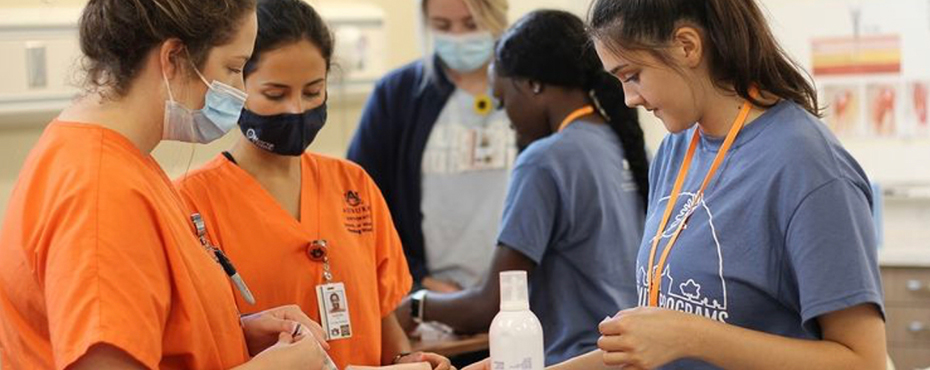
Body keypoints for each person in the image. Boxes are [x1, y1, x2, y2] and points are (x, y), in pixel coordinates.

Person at [462, 0, 888, 369]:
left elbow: (862, 360)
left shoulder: (806, 165)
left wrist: (693, 336)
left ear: (687, 46)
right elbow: (654, 344)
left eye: (632, 75)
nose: (629, 99)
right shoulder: (676, 151)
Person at [0, 0, 330, 369]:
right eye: (234, 67)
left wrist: (232, 333)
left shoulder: (119, 161)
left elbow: (145, 328)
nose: (238, 89)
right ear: (174, 58)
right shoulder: (99, 195)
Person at [174, 1, 451, 369]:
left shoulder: (354, 185)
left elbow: (385, 322)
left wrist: (410, 361)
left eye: (312, 91)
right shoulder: (191, 201)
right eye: (275, 94)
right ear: (236, 85)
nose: (296, 110)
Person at [397, 9, 650, 366]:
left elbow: (491, 304)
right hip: (625, 357)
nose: (506, 116)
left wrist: (415, 305)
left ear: (533, 85)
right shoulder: (621, 144)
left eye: (503, 100)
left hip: (570, 358)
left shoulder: (544, 160)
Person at [347, 0, 512, 293]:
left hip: (523, 293)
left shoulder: (528, 89)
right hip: (434, 299)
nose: (459, 36)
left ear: (497, 17)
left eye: (472, 24)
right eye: (443, 26)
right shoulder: (398, 94)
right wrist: (417, 278)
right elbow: (358, 202)